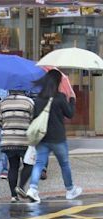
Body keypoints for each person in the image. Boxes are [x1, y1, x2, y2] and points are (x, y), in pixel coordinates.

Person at [26, 69, 82, 203]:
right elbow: (70, 113)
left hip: (42, 137)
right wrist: (72, 99)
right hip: (58, 138)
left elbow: (34, 117)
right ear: (57, 82)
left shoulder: (38, 98)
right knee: (64, 164)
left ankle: (33, 189)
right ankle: (70, 190)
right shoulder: (60, 97)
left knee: (39, 164)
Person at [0, 90, 35, 202]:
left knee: (13, 167)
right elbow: (34, 119)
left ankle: (13, 196)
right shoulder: (29, 102)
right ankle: (20, 186)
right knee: (29, 164)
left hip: (8, 140)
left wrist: (6, 124)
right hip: (24, 140)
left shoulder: (3, 102)